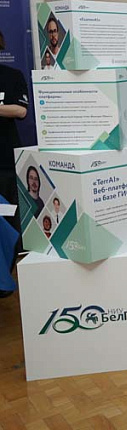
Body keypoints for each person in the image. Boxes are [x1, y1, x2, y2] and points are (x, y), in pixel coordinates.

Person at [0, 64, 27, 297]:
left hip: (6, 163)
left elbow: (20, 111)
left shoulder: (12, 75)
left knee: (8, 223)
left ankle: (5, 279)